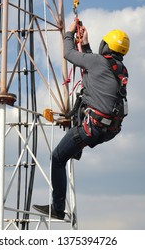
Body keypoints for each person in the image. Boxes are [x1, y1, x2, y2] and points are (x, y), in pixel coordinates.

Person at [33, 21, 130, 220]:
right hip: (108, 130)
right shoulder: (120, 70)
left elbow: (69, 54)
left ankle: (58, 208)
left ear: (105, 46)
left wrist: (69, 34)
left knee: (58, 158)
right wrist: (85, 45)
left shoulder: (97, 62)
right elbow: (96, 72)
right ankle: (77, 148)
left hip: (92, 129)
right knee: (81, 117)